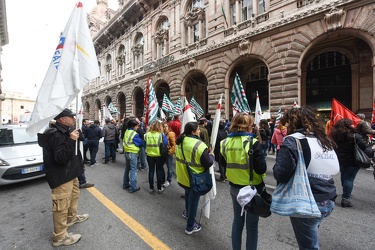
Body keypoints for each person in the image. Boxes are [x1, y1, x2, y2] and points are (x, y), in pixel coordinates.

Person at [273, 107, 340, 250]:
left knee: (309, 247)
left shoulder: (292, 141)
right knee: (312, 235)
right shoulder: (322, 139)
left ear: (292, 123)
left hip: (308, 202)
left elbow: (281, 174)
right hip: (328, 199)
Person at [37, 108, 89, 247]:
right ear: (62, 119)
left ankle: (71, 218)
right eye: (71, 117)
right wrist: (71, 140)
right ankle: (59, 237)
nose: (73, 119)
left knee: (73, 196)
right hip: (61, 175)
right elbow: (60, 158)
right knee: (61, 205)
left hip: (71, 173)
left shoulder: (67, 130)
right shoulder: (55, 134)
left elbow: (82, 139)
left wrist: (76, 131)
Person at [219, 113, 267, 250]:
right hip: (252, 190)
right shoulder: (253, 143)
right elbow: (261, 168)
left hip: (234, 188)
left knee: (237, 222)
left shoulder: (224, 142)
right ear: (249, 127)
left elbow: (222, 163)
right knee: (252, 226)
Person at [175, 122, 215, 235]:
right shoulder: (199, 145)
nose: (199, 131)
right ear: (193, 132)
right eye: (198, 130)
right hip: (195, 179)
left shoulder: (180, 141)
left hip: (183, 177)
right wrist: (211, 155)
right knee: (193, 202)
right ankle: (190, 226)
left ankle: (187, 213)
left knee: (188, 195)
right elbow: (208, 163)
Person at [329, 118, 374, 208]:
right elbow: (366, 148)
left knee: (344, 176)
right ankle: (345, 198)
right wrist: (372, 148)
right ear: (349, 125)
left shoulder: (334, 135)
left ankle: (345, 190)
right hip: (353, 161)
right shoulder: (355, 135)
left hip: (339, 160)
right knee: (349, 178)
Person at [145, 121, 168, 194]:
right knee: (159, 171)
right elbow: (166, 143)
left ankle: (151, 188)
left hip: (149, 155)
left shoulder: (147, 134)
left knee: (151, 171)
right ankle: (159, 188)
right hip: (159, 155)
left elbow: (144, 143)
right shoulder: (161, 135)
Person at [123, 119, 143, 193]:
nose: (137, 127)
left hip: (127, 152)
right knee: (133, 170)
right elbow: (140, 143)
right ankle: (133, 187)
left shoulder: (127, 131)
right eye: (137, 126)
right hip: (133, 153)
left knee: (127, 168)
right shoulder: (134, 134)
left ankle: (125, 184)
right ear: (134, 126)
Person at [163, 122, 176, 187]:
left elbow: (174, 145)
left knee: (169, 167)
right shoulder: (163, 133)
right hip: (163, 152)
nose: (165, 128)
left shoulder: (171, 133)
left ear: (168, 127)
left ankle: (169, 180)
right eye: (164, 126)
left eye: (166, 126)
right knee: (163, 166)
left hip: (168, 153)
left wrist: (170, 151)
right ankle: (163, 178)